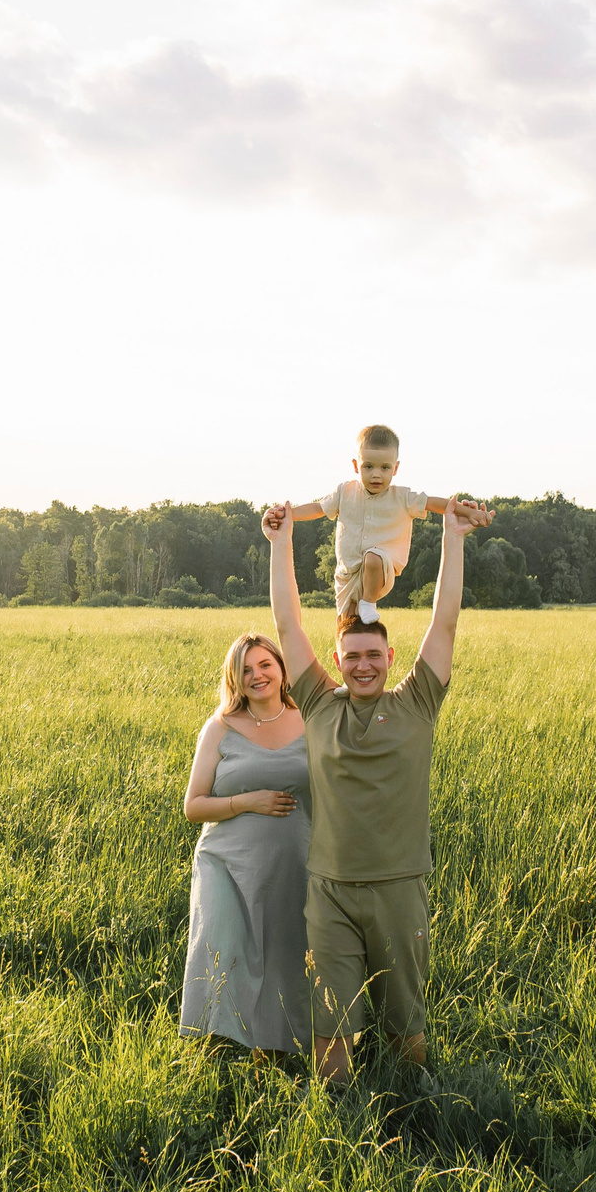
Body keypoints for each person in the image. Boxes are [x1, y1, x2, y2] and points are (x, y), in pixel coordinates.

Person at [259, 492, 492, 1085]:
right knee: (330, 1030)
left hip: (398, 886)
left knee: (404, 1029)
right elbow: (287, 621)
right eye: (352, 656)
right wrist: (281, 542)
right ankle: (337, 1126)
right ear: (336, 659)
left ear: (390, 656)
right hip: (330, 891)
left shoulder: (417, 702)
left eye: (373, 655)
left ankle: (415, 1116)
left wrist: (454, 536)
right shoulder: (316, 704)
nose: (364, 665)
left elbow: (445, 619)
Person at [178, 633, 313, 1052]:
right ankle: (216, 1045)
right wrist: (246, 802)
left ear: (282, 668)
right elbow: (193, 806)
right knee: (223, 947)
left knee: (287, 954)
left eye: (265, 665)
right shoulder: (220, 727)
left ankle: (279, 1048)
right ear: (234, 679)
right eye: (246, 670)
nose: (257, 676)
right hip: (225, 865)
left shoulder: (310, 719)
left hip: (294, 863)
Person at [268, 424, 464, 624]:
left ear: (395, 468)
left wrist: (467, 512)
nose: (376, 474)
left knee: (373, 556)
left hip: (381, 571)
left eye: (384, 468)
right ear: (356, 465)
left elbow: (433, 503)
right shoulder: (345, 492)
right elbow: (318, 508)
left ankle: (368, 603)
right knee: (346, 623)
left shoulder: (403, 497)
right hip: (347, 575)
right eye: (368, 466)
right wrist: (288, 514)